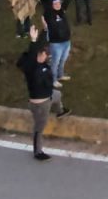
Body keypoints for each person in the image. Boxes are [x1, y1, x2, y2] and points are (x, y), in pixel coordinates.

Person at [18, 24, 71, 161]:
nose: (45, 54)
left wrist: (45, 30)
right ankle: (37, 152)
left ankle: (60, 111)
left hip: (49, 97)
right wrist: (33, 41)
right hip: (40, 104)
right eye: (43, 54)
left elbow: (40, 46)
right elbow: (33, 53)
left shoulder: (42, 64)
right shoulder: (32, 69)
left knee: (58, 95)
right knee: (39, 128)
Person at [42, 0, 72, 86]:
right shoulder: (49, 14)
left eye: (59, 3)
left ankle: (60, 75)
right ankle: (53, 80)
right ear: (51, 5)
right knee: (55, 62)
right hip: (56, 44)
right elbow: (46, 9)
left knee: (63, 60)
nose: (57, 5)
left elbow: (66, 3)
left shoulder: (61, 12)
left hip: (66, 42)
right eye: (55, 3)